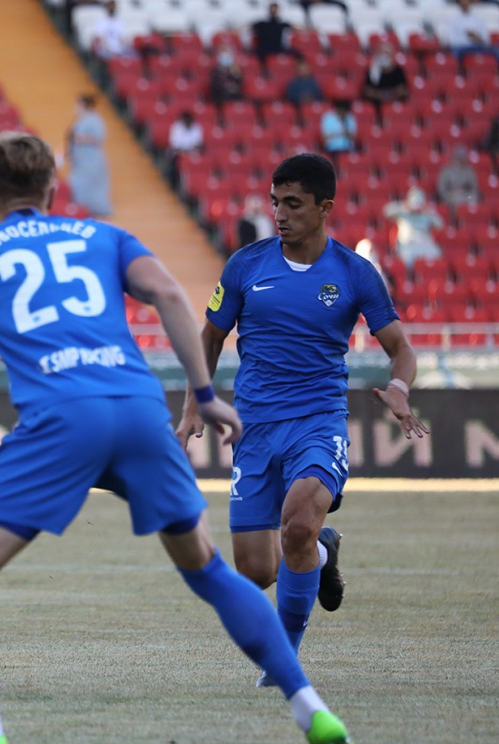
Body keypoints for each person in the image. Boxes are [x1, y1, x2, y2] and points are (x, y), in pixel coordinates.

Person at [0, 131, 357, 744]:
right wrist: (203, 393)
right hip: (140, 410)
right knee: (210, 572)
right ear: (53, 190)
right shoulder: (104, 237)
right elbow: (169, 295)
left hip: (61, 416)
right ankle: (311, 707)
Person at [176, 153, 428, 691]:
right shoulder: (245, 265)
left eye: (292, 204)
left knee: (296, 522)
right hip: (253, 428)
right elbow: (211, 338)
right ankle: (322, 550)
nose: (280, 214)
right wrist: (194, 404)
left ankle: (283, 662)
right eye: (275, 203)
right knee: (257, 571)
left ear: (324, 207)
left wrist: (401, 389)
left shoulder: (355, 274)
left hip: (318, 421)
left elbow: (401, 349)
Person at [66, 93, 111, 218]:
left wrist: (80, 139)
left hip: (91, 160)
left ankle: (94, 210)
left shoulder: (95, 119)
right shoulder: (80, 120)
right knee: (78, 184)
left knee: (90, 185)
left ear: (83, 104)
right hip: (80, 160)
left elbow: (99, 138)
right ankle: (81, 210)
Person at [383, 186, 444, 269]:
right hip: (408, 245)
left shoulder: (426, 214)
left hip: (424, 244)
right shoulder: (403, 212)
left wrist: (429, 212)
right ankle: (410, 275)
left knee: (436, 252)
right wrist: (405, 207)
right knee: (408, 256)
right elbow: (387, 212)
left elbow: (440, 225)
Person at [444, 0, 499, 69]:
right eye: (462, 3)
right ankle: (460, 73)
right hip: (462, 47)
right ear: (459, 5)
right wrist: (468, 39)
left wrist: (477, 38)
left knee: (496, 50)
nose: (465, 5)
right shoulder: (453, 20)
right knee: (455, 53)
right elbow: (453, 40)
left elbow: (486, 39)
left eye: (466, 3)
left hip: (478, 46)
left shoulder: (478, 18)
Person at [360, 44, 408, 118]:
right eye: (381, 55)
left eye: (386, 55)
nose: (384, 57)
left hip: (395, 104)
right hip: (377, 106)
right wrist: (380, 96)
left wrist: (390, 96)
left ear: (392, 56)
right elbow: (367, 91)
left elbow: (403, 90)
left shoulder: (398, 71)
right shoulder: (373, 71)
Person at [436, 145, 480, 214]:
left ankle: (470, 218)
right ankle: (457, 219)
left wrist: (466, 192)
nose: (462, 159)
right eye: (460, 157)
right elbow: (442, 189)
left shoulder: (469, 171)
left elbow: (474, 188)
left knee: (472, 198)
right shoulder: (446, 170)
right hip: (451, 195)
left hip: (466, 195)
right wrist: (451, 193)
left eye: (463, 157)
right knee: (456, 199)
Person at [166, 110, 203, 189]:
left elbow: (198, 143)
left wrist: (190, 151)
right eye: (185, 120)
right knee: (174, 163)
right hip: (178, 153)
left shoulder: (196, 127)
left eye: (189, 120)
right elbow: (174, 144)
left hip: (192, 153)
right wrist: (183, 151)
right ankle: (173, 184)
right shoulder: (177, 127)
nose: (187, 122)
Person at [250, 2, 294, 69]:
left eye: (275, 9)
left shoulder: (282, 24)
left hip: (278, 47)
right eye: (272, 9)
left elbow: (294, 28)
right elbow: (250, 28)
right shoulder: (262, 24)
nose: (273, 10)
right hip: (263, 47)